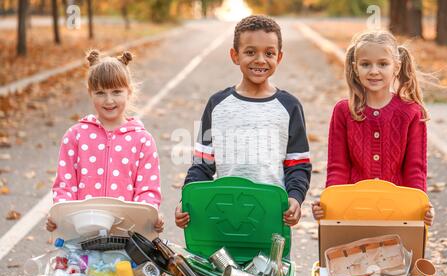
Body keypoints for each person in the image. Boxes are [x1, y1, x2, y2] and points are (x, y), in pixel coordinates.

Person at [175, 15, 311, 229]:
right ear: (235, 55)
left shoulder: (289, 106)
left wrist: (295, 197)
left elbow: (298, 165)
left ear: (279, 57)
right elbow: (202, 164)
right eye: (250, 52)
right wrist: (188, 199)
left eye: (269, 53)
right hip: (223, 212)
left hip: (273, 215)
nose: (260, 59)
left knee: (272, 264)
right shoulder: (217, 104)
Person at [311, 30, 434, 226]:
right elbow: (338, 168)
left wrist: (419, 205)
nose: (374, 71)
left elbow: (415, 169)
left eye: (383, 64)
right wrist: (331, 203)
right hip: (352, 213)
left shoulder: (411, 112)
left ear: (396, 67)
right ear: (355, 67)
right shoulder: (344, 111)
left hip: (398, 214)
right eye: (366, 64)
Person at [47, 49, 164, 232]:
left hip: (126, 235)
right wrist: (60, 215)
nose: (109, 100)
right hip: (82, 233)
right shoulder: (75, 136)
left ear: (129, 92)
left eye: (116, 92)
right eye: (100, 93)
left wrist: (150, 215)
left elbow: (148, 190)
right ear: (90, 93)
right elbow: (65, 186)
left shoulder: (142, 140)